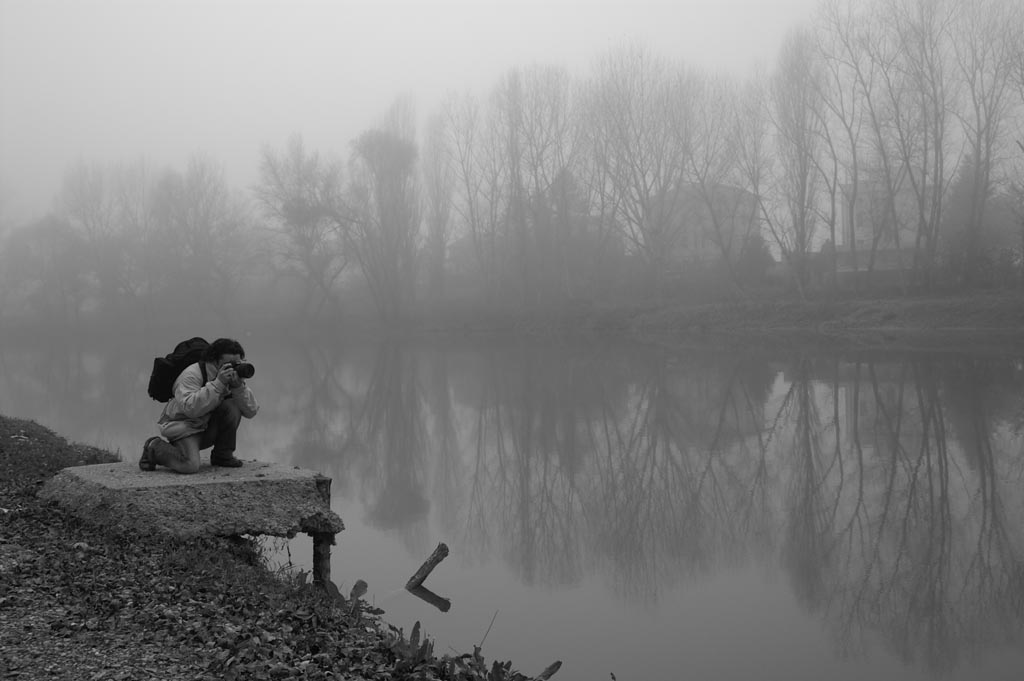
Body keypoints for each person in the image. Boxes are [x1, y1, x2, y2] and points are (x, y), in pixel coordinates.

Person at [139, 338, 259, 473]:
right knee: (190, 465)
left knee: (232, 406)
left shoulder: (232, 378)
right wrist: (218, 384)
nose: (234, 368)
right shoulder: (191, 375)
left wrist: (238, 388)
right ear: (214, 361)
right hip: (185, 427)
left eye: (237, 364)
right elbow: (190, 409)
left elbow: (251, 412)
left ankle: (222, 455)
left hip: (206, 426)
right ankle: (154, 447)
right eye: (229, 364)